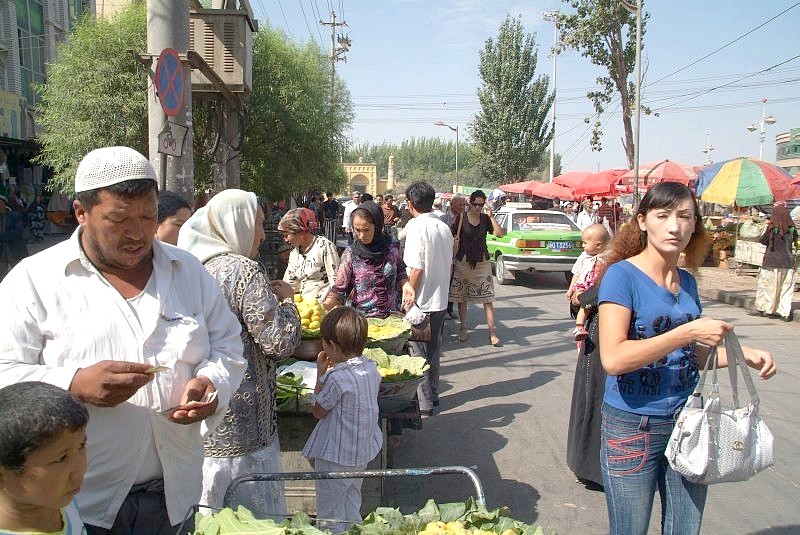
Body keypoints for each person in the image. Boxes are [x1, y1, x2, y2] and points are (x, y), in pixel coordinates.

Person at [0, 146, 246, 533]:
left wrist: (210, 381)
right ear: (81, 212)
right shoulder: (34, 282)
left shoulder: (188, 271)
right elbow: (4, 373)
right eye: (118, 220)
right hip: (80, 505)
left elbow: (228, 345)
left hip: (176, 496)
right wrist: (74, 383)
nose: (137, 233)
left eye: (148, 217)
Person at [597, 182, 777, 535]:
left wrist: (741, 356)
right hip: (633, 425)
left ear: (695, 225)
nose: (674, 226)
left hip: (689, 420)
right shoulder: (621, 276)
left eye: (684, 217)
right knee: (630, 529)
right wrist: (687, 332)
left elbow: (690, 354)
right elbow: (614, 358)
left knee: (685, 527)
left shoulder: (687, 282)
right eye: (663, 216)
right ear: (643, 221)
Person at [178, 188, 301, 517]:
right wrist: (288, 302)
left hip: (202, 418)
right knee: (250, 519)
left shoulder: (190, 267)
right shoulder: (244, 271)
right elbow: (280, 342)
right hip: (246, 426)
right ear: (238, 224)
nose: (262, 234)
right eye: (257, 224)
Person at [302, 307, 382, 533]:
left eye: (324, 343)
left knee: (330, 511)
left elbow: (318, 411)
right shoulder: (372, 369)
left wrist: (320, 375)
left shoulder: (337, 378)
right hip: (361, 452)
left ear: (333, 347)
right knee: (351, 502)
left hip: (336, 456)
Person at [0, 382, 89, 535]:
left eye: (81, 446)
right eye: (61, 458)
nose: (79, 471)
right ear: (2, 475)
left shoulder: (60, 499)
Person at [401, 182, 453, 416]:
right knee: (433, 350)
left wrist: (409, 298)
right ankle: (434, 395)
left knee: (418, 353)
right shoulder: (443, 227)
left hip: (422, 301)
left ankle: (424, 404)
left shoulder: (416, 227)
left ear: (410, 203)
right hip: (440, 299)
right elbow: (448, 264)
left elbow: (417, 268)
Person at [323, 201, 407, 318]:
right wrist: (324, 306)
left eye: (366, 230)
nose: (361, 235)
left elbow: (400, 270)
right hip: (362, 321)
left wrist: (405, 284)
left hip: (392, 319)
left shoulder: (392, 246)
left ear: (377, 226)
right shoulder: (351, 254)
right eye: (357, 230)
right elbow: (339, 289)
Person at [449, 190, 504, 346]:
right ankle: (463, 328)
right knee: (462, 298)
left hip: (482, 262)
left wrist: (491, 216)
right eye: (475, 204)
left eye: (481, 205)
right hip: (463, 261)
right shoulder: (461, 218)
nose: (478, 208)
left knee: (487, 298)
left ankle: (492, 332)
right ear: (470, 203)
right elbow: (450, 234)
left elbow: (499, 233)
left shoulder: (485, 219)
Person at [281, 207, 340, 302]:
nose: (285, 240)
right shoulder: (294, 253)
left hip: (322, 306)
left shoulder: (324, 246)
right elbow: (290, 284)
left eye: (286, 235)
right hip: (302, 307)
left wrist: (327, 304)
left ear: (299, 231)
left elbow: (337, 283)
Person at [751, 202, 797, 321]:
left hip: (771, 262)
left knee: (768, 287)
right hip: (788, 263)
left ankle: (767, 309)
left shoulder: (772, 228)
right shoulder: (791, 229)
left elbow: (763, 240)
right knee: (786, 289)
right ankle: (785, 313)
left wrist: (767, 227)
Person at [566, 224, 610, 341]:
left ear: (598, 245)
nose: (582, 245)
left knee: (587, 304)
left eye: (585, 243)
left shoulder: (608, 257)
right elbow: (576, 273)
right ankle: (579, 327)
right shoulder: (583, 257)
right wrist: (570, 289)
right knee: (584, 304)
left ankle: (581, 326)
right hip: (583, 286)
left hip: (595, 289)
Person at [439, 194, 465, 320]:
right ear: (451, 204)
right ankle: (443, 310)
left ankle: (450, 309)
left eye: (464, 204)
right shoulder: (443, 219)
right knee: (446, 284)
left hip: (458, 257)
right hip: (446, 256)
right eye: (460, 204)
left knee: (454, 284)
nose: (462, 207)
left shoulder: (464, 218)